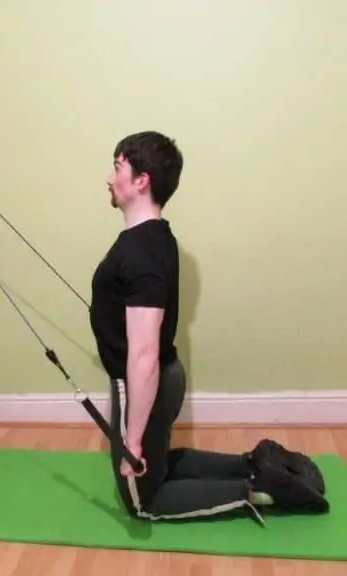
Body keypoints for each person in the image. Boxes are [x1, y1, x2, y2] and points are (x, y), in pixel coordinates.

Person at [89, 131, 315, 523]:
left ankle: (261, 491)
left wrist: (133, 438)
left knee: (144, 502)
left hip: (146, 382)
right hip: (165, 374)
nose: (109, 178)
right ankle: (254, 464)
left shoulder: (140, 251)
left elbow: (143, 354)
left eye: (117, 167)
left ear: (141, 180)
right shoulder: (154, 236)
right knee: (157, 464)